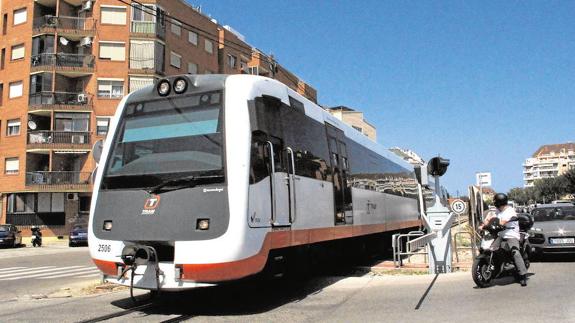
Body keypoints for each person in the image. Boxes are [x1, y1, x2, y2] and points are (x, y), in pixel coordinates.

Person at [479, 193, 528, 286]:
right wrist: (483, 225)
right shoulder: (497, 211)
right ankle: (497, 267)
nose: (494, 203)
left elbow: (511, 218)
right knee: (490, 248)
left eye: (495, 201)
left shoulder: (510, 211)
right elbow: (491, 218)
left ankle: (522, 275)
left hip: (511, 235)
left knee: (515, 252)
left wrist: (505, 221)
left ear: (498, 202)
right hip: (500, 235)